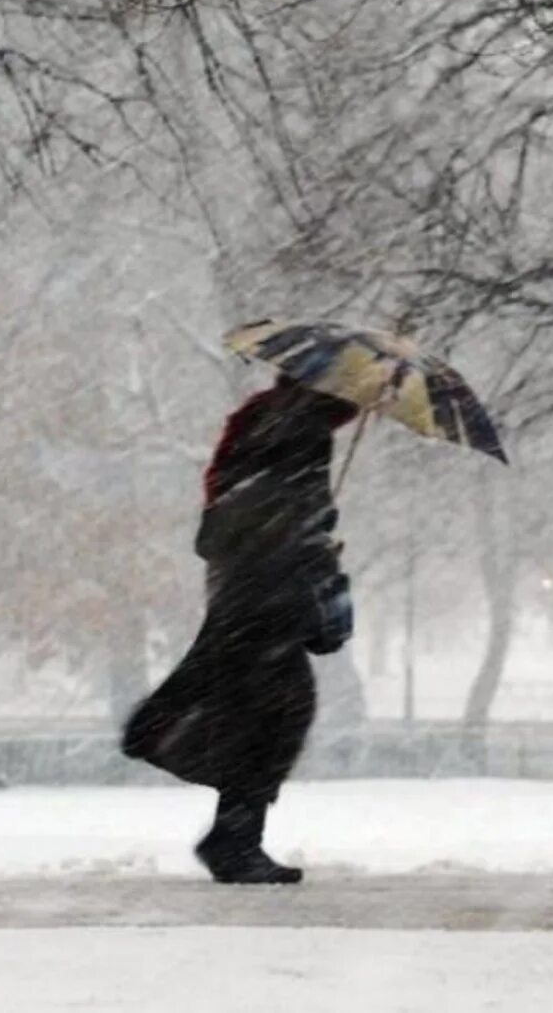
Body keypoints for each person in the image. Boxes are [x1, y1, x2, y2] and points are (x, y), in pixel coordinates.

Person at [122, 375, 357, 884]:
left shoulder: (266, 421)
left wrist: (310, 528)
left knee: (261, 717)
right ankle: (232, 840)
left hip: (245, 595)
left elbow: (231, 515)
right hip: (266, 596)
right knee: (275, 718)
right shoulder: (303, 429)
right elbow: (283, 509)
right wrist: (312, 534)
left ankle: (233, 837)